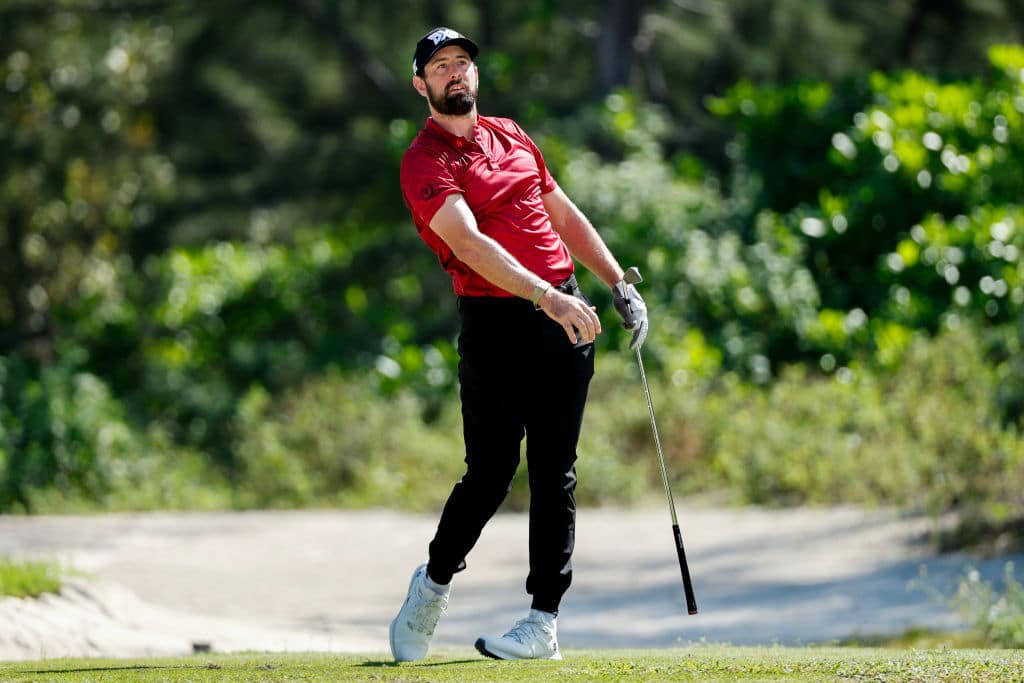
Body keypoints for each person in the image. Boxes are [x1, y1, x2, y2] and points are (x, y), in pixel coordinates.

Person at [389, 26, 648, 662]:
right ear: (421, 84)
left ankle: (542, 623)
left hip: (565, 312)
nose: (456, 74)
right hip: (497, 323)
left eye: (463, 64)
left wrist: (616, 282)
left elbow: (563, 213)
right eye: (441, 66)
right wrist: (548, 297)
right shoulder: (424, 160)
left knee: (556, 473)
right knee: (490, 473)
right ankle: (433, 586)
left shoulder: (511, 135)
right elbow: (469, 243)